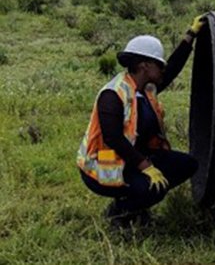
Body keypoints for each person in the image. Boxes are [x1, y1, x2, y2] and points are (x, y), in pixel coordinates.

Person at [76, 15, 206, 228]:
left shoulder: (146, 89)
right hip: (103, 166)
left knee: (187, 165)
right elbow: (113, 138)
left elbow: (171, 69)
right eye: (158, 65)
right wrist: (146, 166)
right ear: (145, 65)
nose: (162, 69)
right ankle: (120, 213)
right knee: (153, 188)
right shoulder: (113, 94)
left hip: (130, 159)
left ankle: (134, 200)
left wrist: (190, 35)